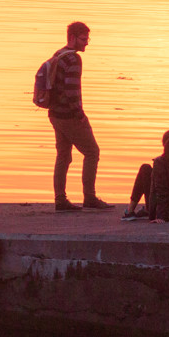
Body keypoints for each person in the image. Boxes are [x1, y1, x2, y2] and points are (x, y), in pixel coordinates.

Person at [45, 21, 110, 211]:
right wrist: (79, 114)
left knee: (63, 156)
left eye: (87, 38)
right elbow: (71, 90)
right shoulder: (73, 59)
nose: (86, 43)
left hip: (55, 115)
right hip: (69, 116)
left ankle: (60, 199)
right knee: (92, 152)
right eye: (83, 39)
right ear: (72, 37)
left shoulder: (58, 54)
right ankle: (89, 197)